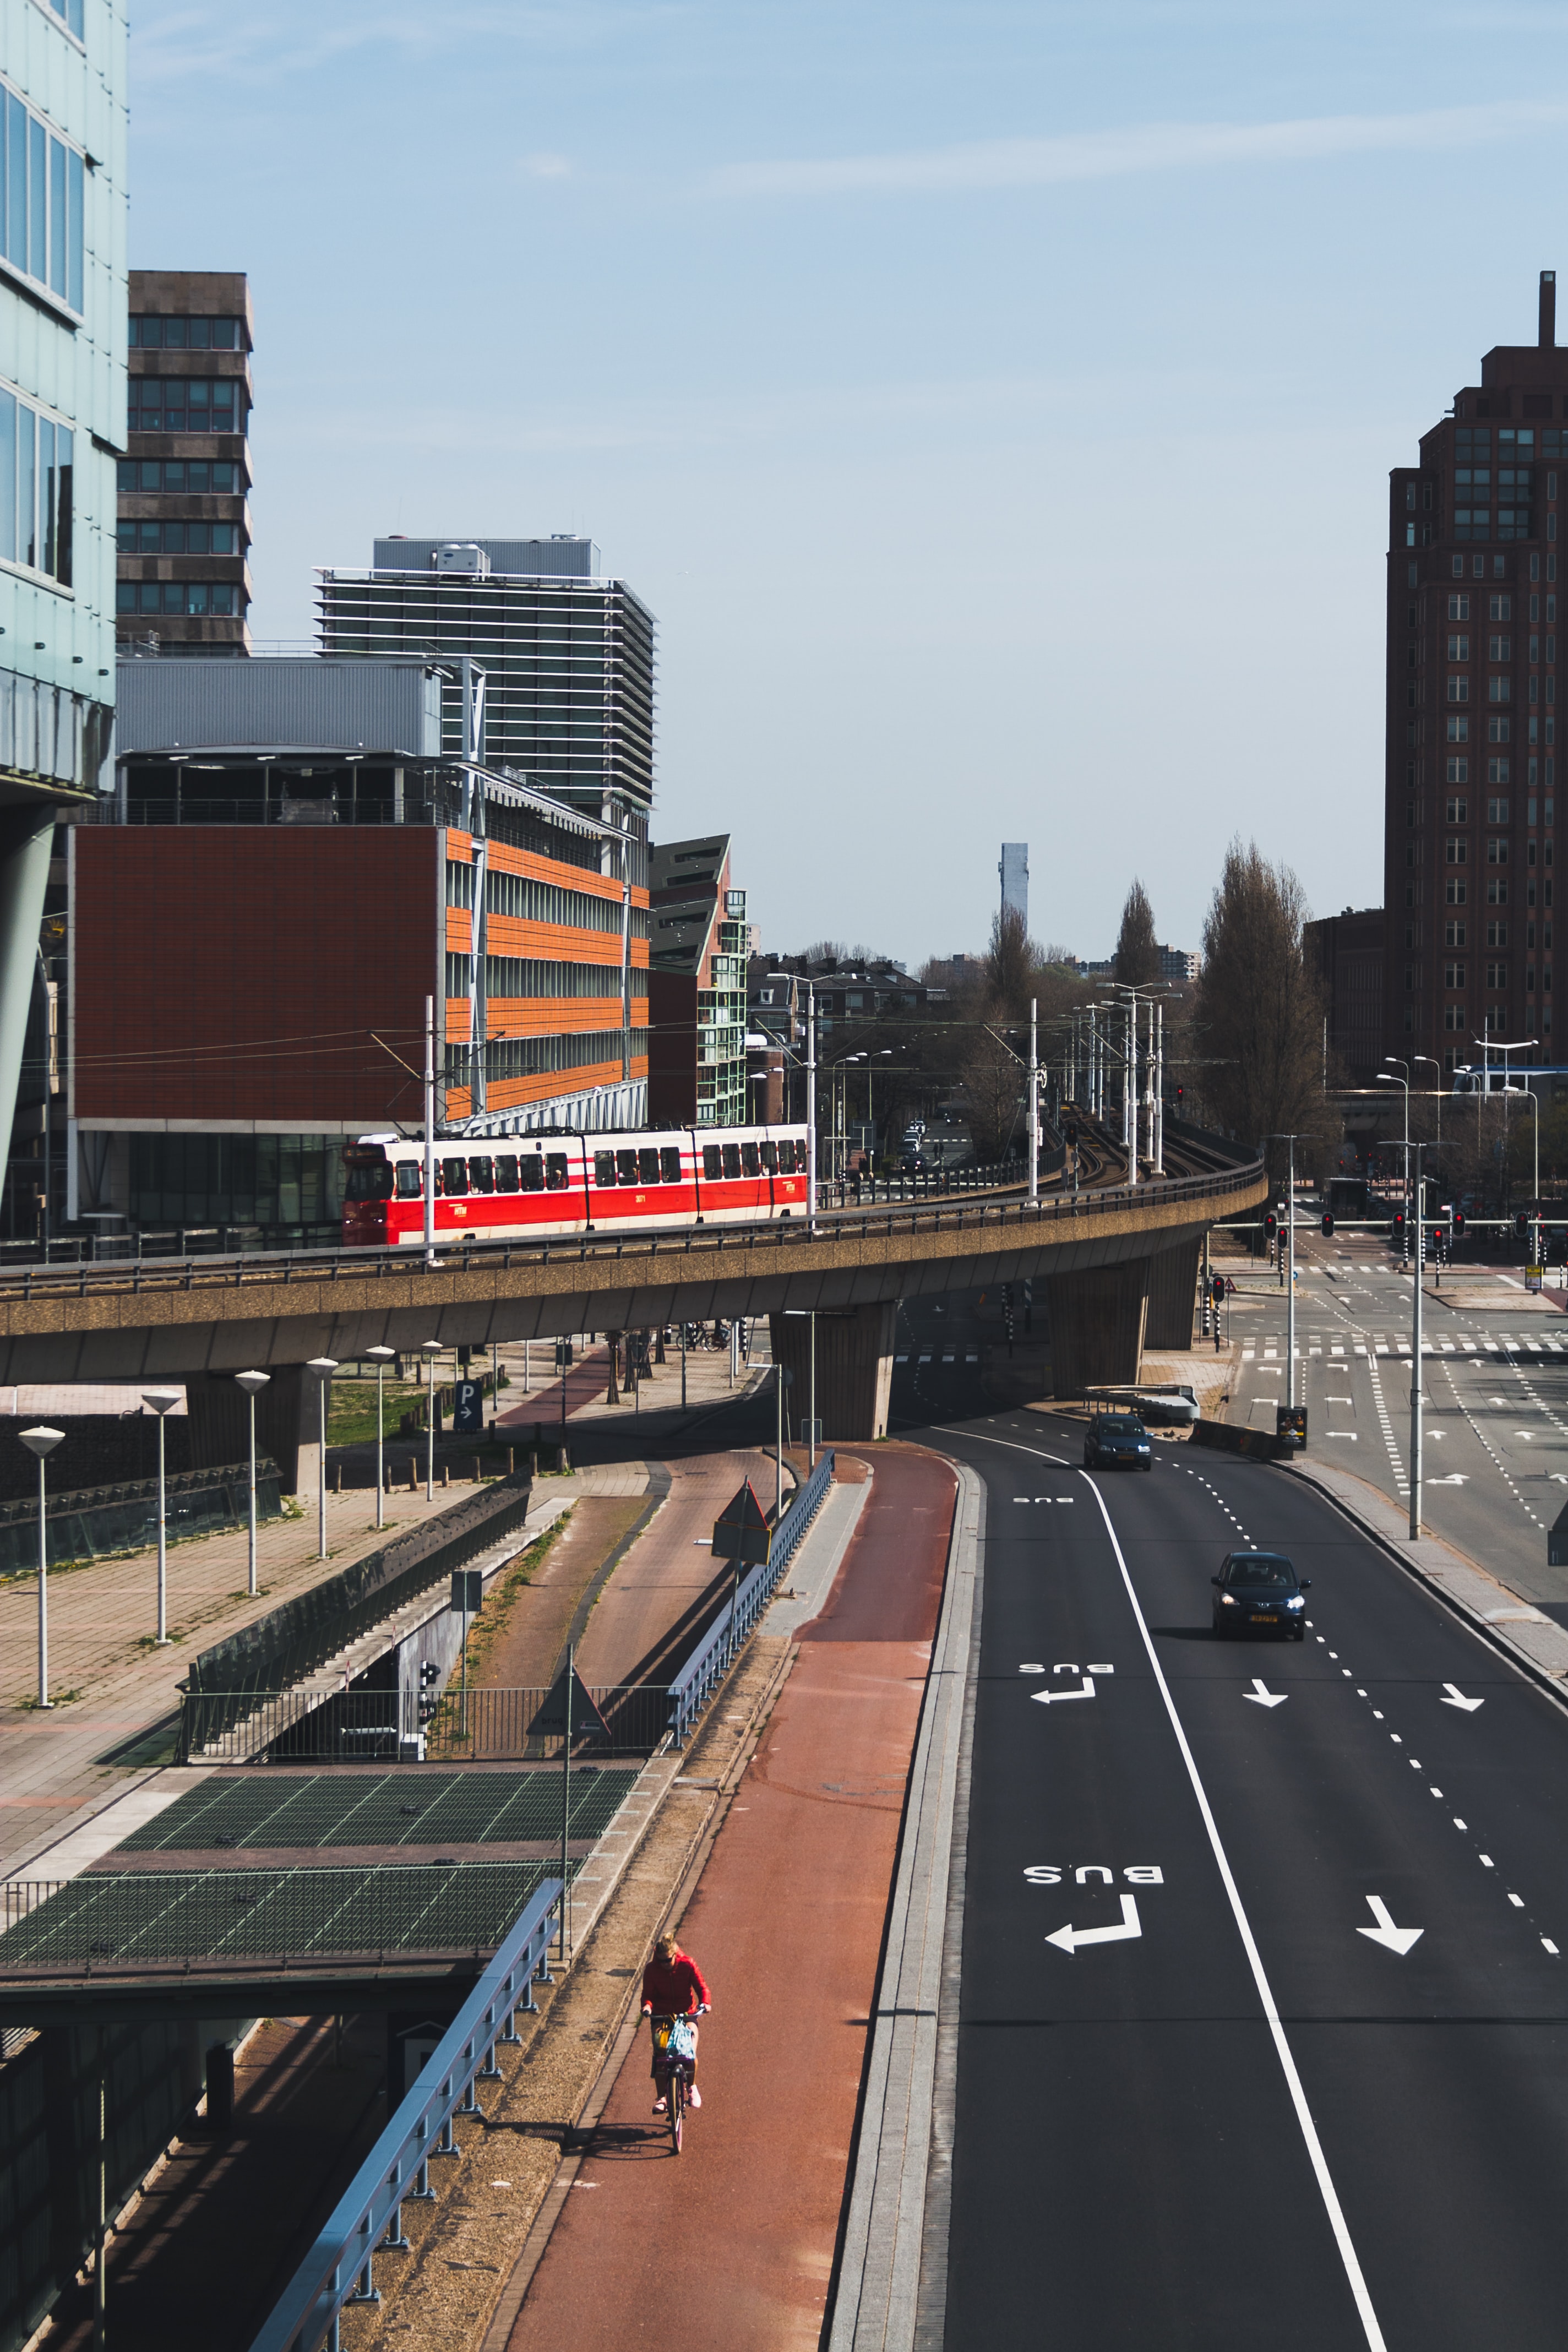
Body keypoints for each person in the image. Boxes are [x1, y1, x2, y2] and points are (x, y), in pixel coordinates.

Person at [641, 1928, 711, 2114]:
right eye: (661, 1961)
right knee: (660, 2055)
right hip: (661, 2016)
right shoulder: (651, 1970)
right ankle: (662, 2098)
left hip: (686, 2013)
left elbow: (702, 1988)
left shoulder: (688, 1965)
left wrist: (705, 2003)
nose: (665, 1964)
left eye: (669, 1960)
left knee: (689, 2051)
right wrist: (647, 2007)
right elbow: (647, 1995)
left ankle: (692, 2087)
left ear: (675, 1955)